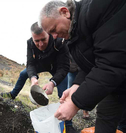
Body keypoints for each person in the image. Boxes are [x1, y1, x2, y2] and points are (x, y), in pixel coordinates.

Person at [39, 0, 126, 133]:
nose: (54, 36)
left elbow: (112, 62)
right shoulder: (73, 34)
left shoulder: (96, 10)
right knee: (104, 118)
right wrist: (76, 85)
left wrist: (75, 103)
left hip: (116, 73)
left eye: (54, 30)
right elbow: (93, 62)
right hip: (117, 84)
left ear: (65, 12)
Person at [1, 22, 79, 133]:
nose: (41, 44)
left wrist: (52, 83)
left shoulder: (60, 41)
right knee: (24, 74)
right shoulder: (30, 43)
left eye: (43, 39)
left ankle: (68, 124)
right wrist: (33, 78)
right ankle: (12, 94)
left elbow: (64, 67)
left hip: (56, 67)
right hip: (40, 64)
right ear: (32, 38)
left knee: (63, 93)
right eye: (37, 41)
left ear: (49, 34)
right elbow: (30, 64)